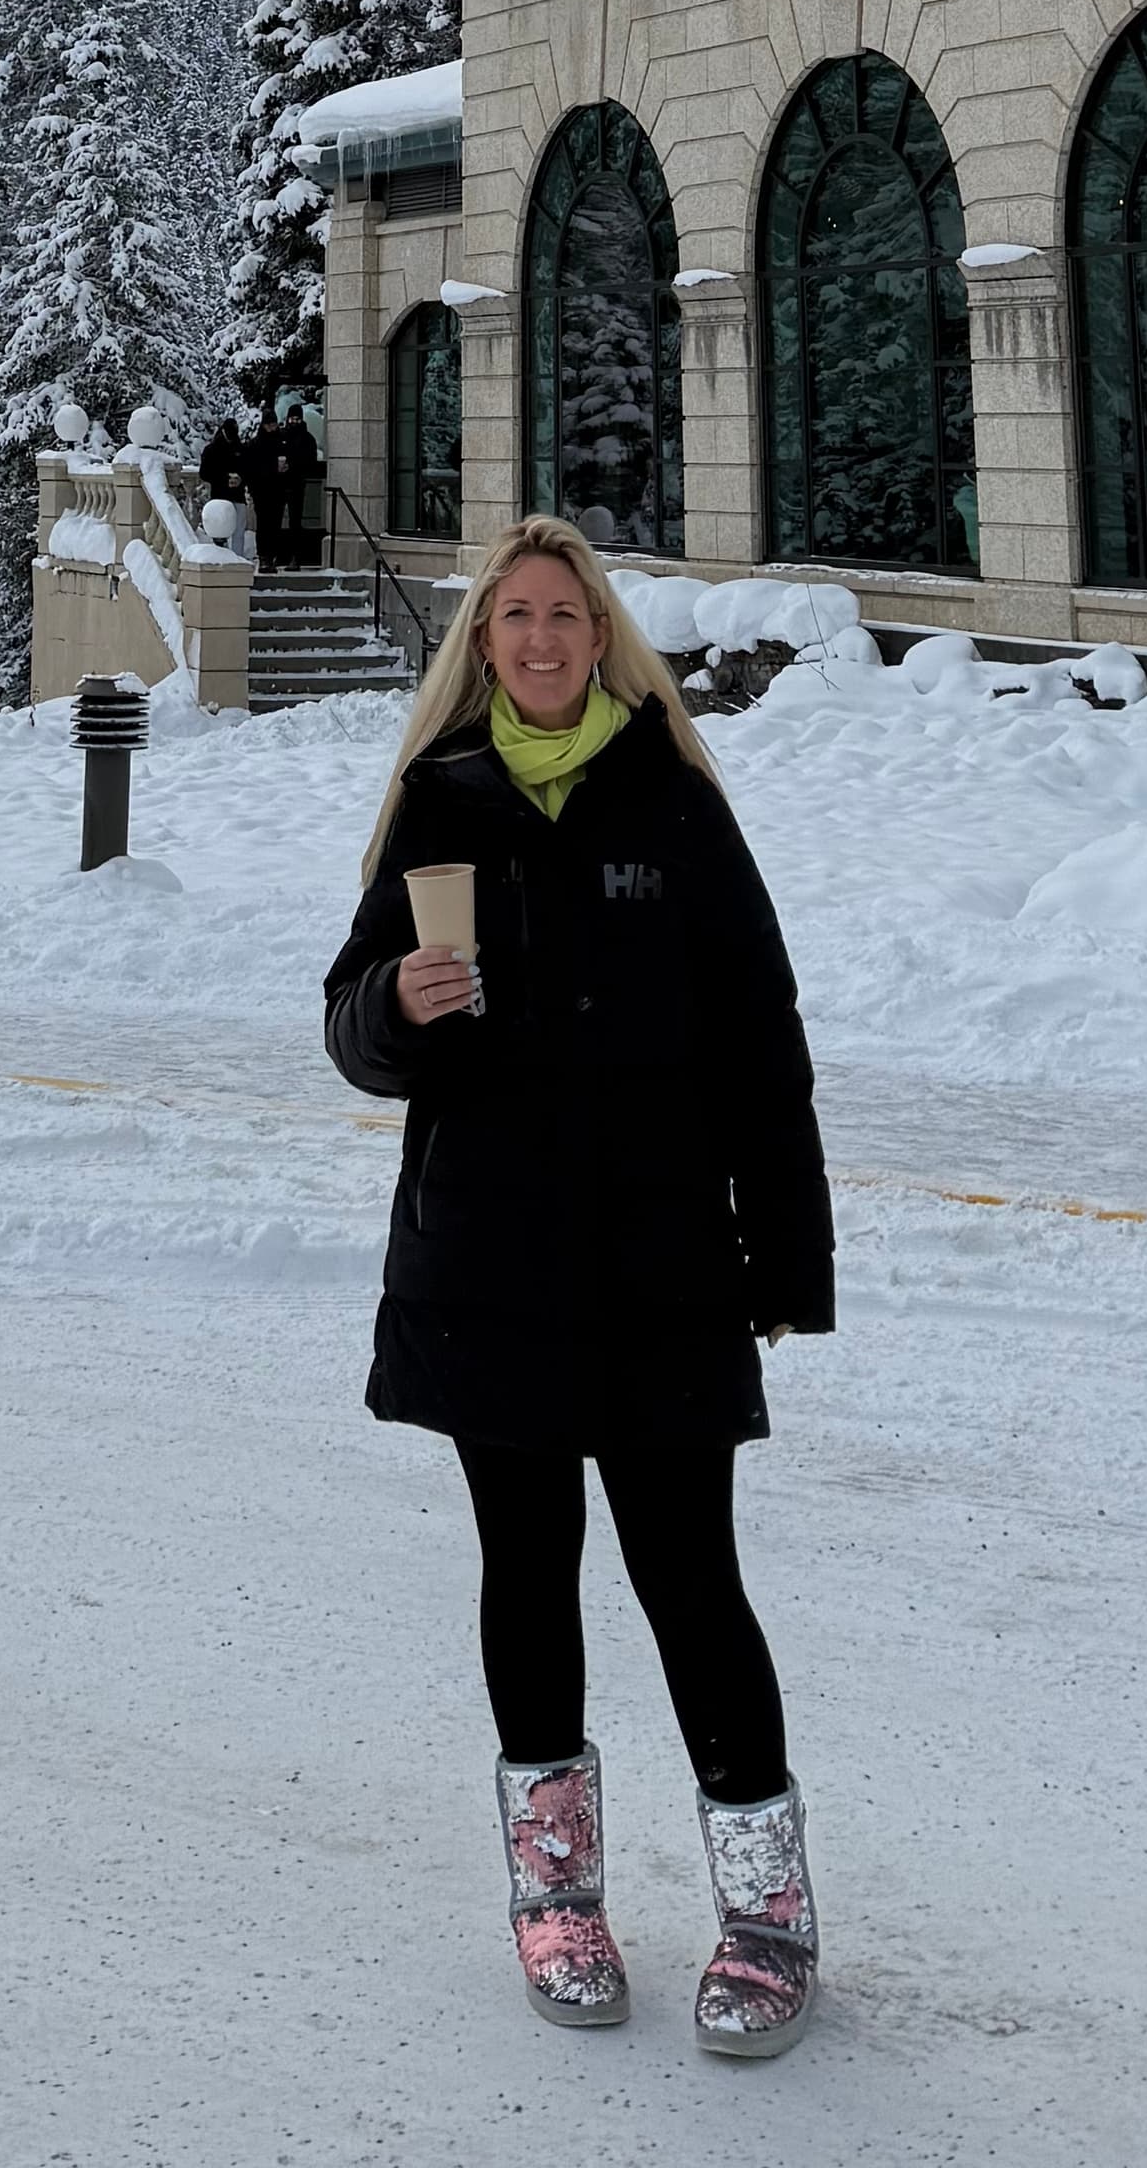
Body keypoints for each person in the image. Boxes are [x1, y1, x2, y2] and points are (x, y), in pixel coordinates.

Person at [323, 517, 833, 2060]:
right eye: (514, 620)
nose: (541, 641)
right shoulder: (441, 802)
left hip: (666, 1262)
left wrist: (786, 1261)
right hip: (488, 1260)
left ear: (603, 641)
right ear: (483, 648)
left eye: (566, 617)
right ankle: (557, 1897)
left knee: (694, 1588)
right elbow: (349, 1029)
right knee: (525, 1578)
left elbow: (766, 1043)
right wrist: (398, 1011)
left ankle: (766, 1914)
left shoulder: (675, 806)